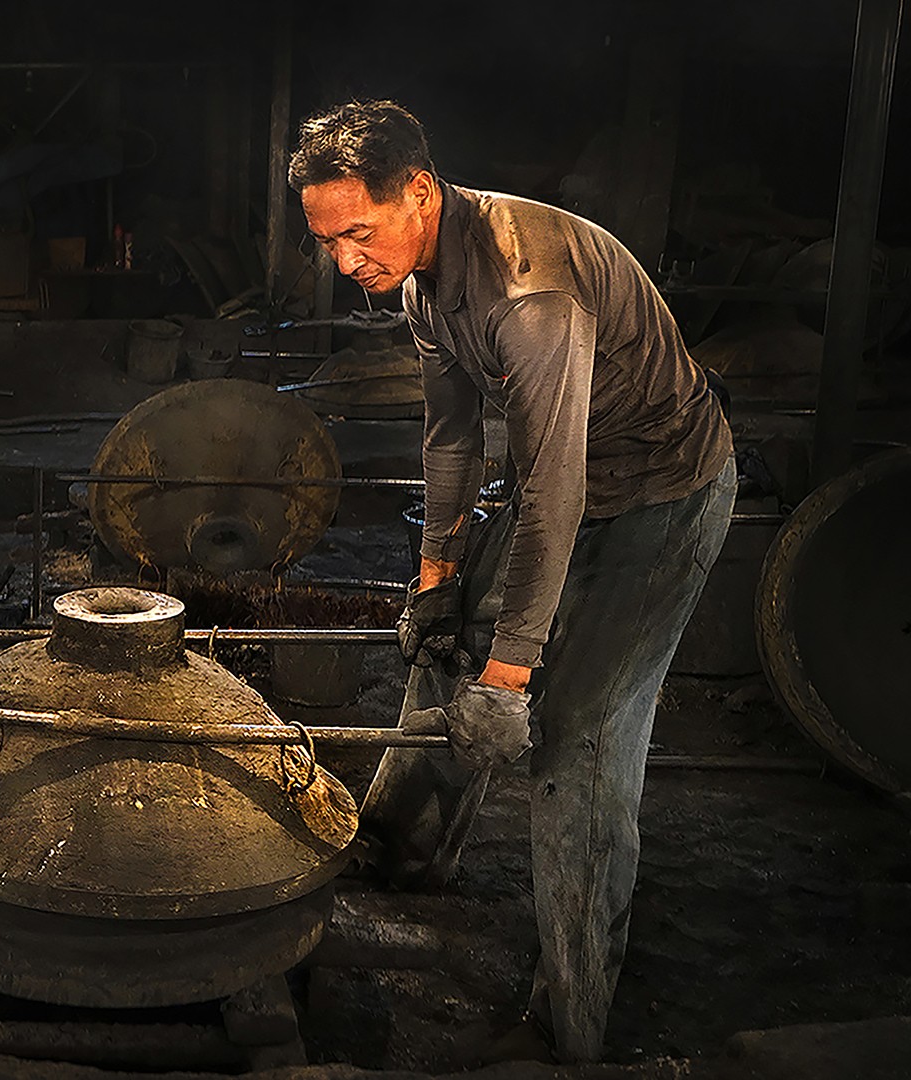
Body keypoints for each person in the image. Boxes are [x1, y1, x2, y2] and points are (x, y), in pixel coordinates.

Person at [288, 100, 735, 1063]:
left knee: (576, 738)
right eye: (327, 242)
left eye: (358, 233)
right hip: (563, 484)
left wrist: (510, 674)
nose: (345, 261)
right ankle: (400, 855)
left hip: (659, 493)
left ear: (419, 191)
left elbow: (553, 490)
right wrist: (435, 582)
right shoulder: (420, 284)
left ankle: (569, 1021)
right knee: (441, 646)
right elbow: (452, 439)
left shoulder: (531, 293)